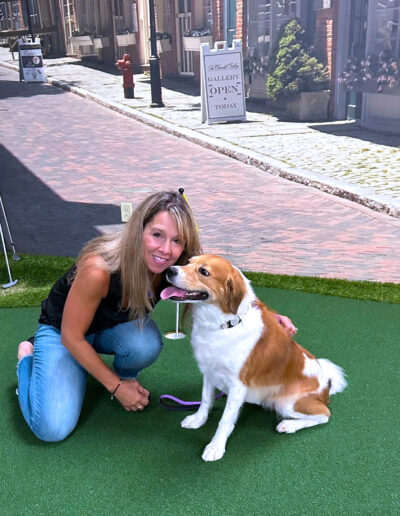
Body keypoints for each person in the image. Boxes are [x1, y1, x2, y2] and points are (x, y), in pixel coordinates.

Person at [16, 190, 297, 443]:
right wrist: (115, 387)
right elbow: (72, 336)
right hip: (64, 332)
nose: (165, 250)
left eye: (176, 241)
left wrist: (269, 315)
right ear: (139, 229)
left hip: (109, 328)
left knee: (145, 343)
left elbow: (226, 285)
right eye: (157, 235)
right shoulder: (98, 268)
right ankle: (28, 358)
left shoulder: (179, 265)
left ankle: (123, 378)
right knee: (51, 429)